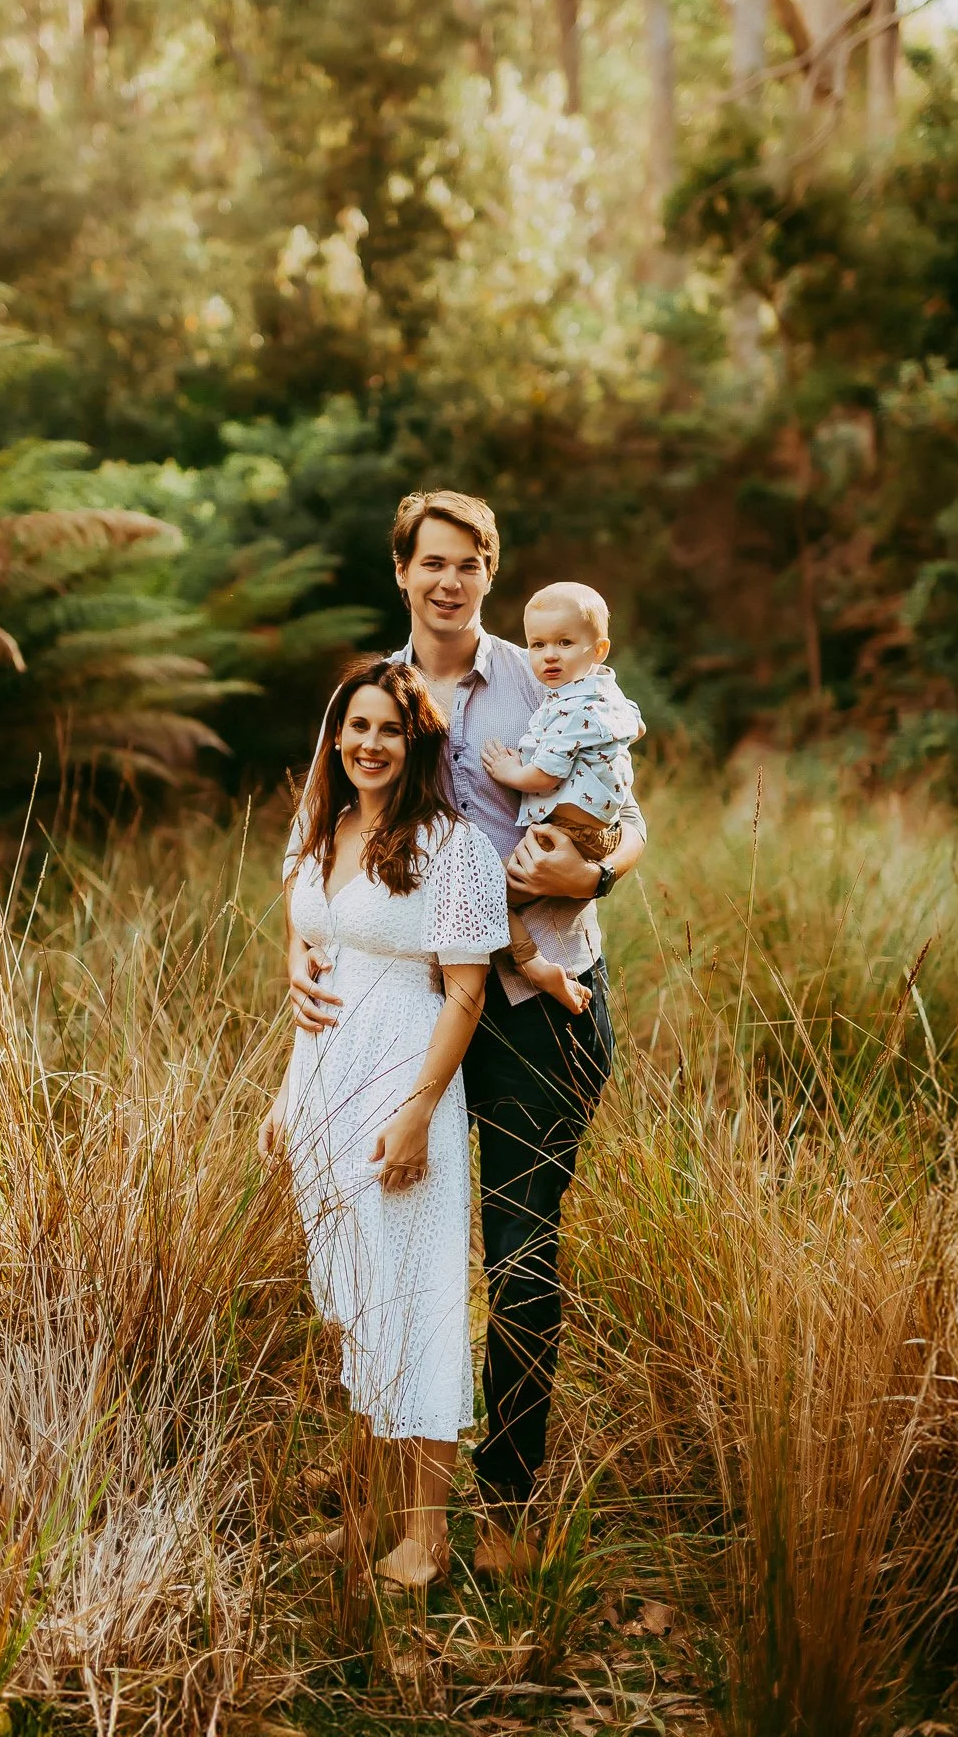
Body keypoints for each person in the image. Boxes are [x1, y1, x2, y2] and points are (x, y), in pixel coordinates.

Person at [287, 492, 646, 1577]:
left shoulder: (540, 677)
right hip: (409, 1016)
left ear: (491, 570)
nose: (450, 580)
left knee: (521, 1252)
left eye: (470, 562)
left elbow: (627, 815)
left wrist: (597, 869)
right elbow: (318, 839)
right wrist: (299, 958)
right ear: (400, 569)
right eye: (430, 562)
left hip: (538, 1008)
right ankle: (385, 1478)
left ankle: (506, 1497)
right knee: (394, 1247)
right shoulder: (374, 695)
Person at [258, 656, 509, 1592]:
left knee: (417, 1297)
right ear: (335, 735)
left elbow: (466, 992)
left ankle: (428, 1535)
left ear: (416, 744)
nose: (367, 744)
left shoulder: (451, 846)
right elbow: (311, 954)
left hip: (406, 1082)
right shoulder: (319, 827)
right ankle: (366, 1514)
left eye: (387, 730)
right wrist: (285, 1093)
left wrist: (417, 1114)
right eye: (354, 726)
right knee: (361, 1305)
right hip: (323, 1086)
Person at [482, 581, 644, 1015]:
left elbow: (544, 774)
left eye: (564, 643)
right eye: (537, 644)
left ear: (599, 649)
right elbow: (633, 730)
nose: (549, 655)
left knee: (486, 895)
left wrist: (508, 770)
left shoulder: (572, 706)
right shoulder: (605, 694)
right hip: (589, 831)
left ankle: (534, 964)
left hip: (564, 837)